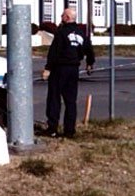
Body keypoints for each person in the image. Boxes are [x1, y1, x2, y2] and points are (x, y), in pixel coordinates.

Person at [41, 8, 95, 138]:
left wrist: (48, 68)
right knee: (71, 101)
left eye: (63, 15)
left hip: (59, 69)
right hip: (74, 70)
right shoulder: (82, 33)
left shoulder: (61, 32)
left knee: (54, 99)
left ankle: (52, 128)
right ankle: (69, 131)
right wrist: (89, 63)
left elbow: (54, 52)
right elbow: (89, 49)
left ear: (67, 18)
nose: (60, 16)